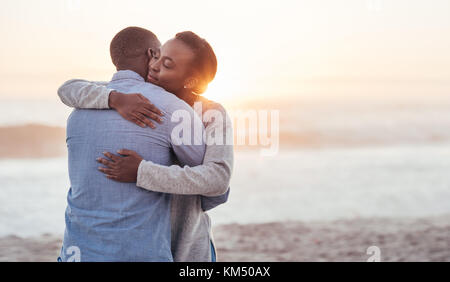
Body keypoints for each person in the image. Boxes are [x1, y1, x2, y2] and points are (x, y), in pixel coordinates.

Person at [58, 30, 234, 262]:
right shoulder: (127, 97)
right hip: (143, 242)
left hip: (185, 241)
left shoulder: (210, 114)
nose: (155, 66)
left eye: (167, 65)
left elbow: (218, 182)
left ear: (191, 80)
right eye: (157, 57)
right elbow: (69, 89)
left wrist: (142, 171)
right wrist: (114, 99)